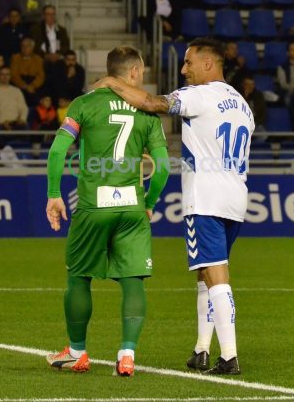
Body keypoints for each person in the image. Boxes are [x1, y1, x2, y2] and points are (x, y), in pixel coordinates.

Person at [93, 38, 255, 375]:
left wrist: (112, 82)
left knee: (216, 276)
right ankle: (201, 349)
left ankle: (229, 356)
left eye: (189, 62)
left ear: (208, 64)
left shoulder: (199, 95)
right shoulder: (242, 105)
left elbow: (152, 103)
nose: (183, 69)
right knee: (206, 273)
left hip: (206, 197)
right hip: (236, 196)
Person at [44, 46, 170, 376]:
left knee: (79, 277)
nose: (142, 77)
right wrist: (149, 204)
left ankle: (77, 352)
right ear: (132, 72)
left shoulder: (84, 104)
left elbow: (58, 151)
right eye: (141, 72)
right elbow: (163, 168)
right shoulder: (147, 113)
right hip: (131, 208)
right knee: (133, 281)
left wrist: (54, 195)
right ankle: (127, 355)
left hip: (93, 207)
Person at [0, 66, 29, 130]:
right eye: (2, 74)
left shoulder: (17, 91)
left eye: (7, 74)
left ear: (10, 76)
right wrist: (2, 122)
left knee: (25, 126)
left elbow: (24, 108)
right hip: (0, 124)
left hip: (16, 122)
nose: (5, 77)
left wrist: (22, 119)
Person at [11, 38, 46, 105]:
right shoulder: (15, 58)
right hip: (20, 84)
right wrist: (25, 86)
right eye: (23, 46)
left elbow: (41, 76)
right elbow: (14, 75)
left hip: (34, 84)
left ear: (32, 47)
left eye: (27, 46)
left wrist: (33, 85)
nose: (24, 48)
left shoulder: (39, 59)